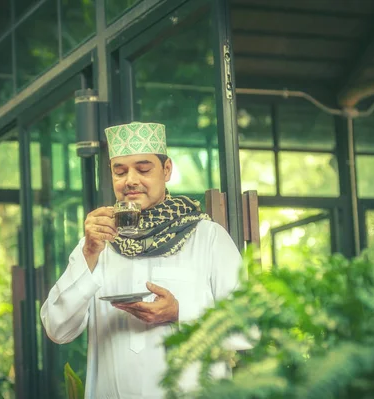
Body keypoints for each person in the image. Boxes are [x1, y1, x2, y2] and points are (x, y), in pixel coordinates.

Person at [40, 121, 245, 399]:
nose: (131, 180)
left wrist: (179, 313)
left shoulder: (207, 237)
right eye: (120, 171)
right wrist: (89, 253)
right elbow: (57, 329)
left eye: (144, 169)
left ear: (167, 170)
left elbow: (247, 329)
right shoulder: (97, 245)